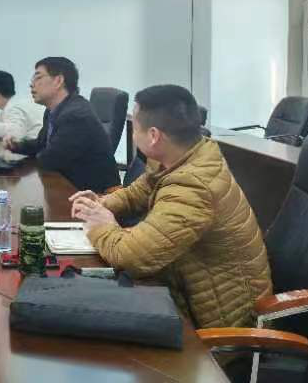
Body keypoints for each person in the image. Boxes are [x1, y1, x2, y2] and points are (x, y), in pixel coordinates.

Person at [70, 85, 271, 329]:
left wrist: (102, 225)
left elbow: (130, 257)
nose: (133, 135)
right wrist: (100, 204)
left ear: (154, 136)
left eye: (136, 128)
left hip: (219, 324)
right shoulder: (183, 157)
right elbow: (137, 192)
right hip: (181, 287)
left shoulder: (193, 186)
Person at [5, 57, 118, 193]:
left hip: (98, 196)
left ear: (58, 81)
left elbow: (50, 160)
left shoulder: (76, 115)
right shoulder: (52, 110)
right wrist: (17, 146)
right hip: (70, 187)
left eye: (38, 78)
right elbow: (41, 144)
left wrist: (7, 167)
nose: (31, 84)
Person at [0, 70, 45, 140]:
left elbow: (15, 134)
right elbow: (2, 120)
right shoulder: (16, 103)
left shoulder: (13, 108)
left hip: (36, 144)